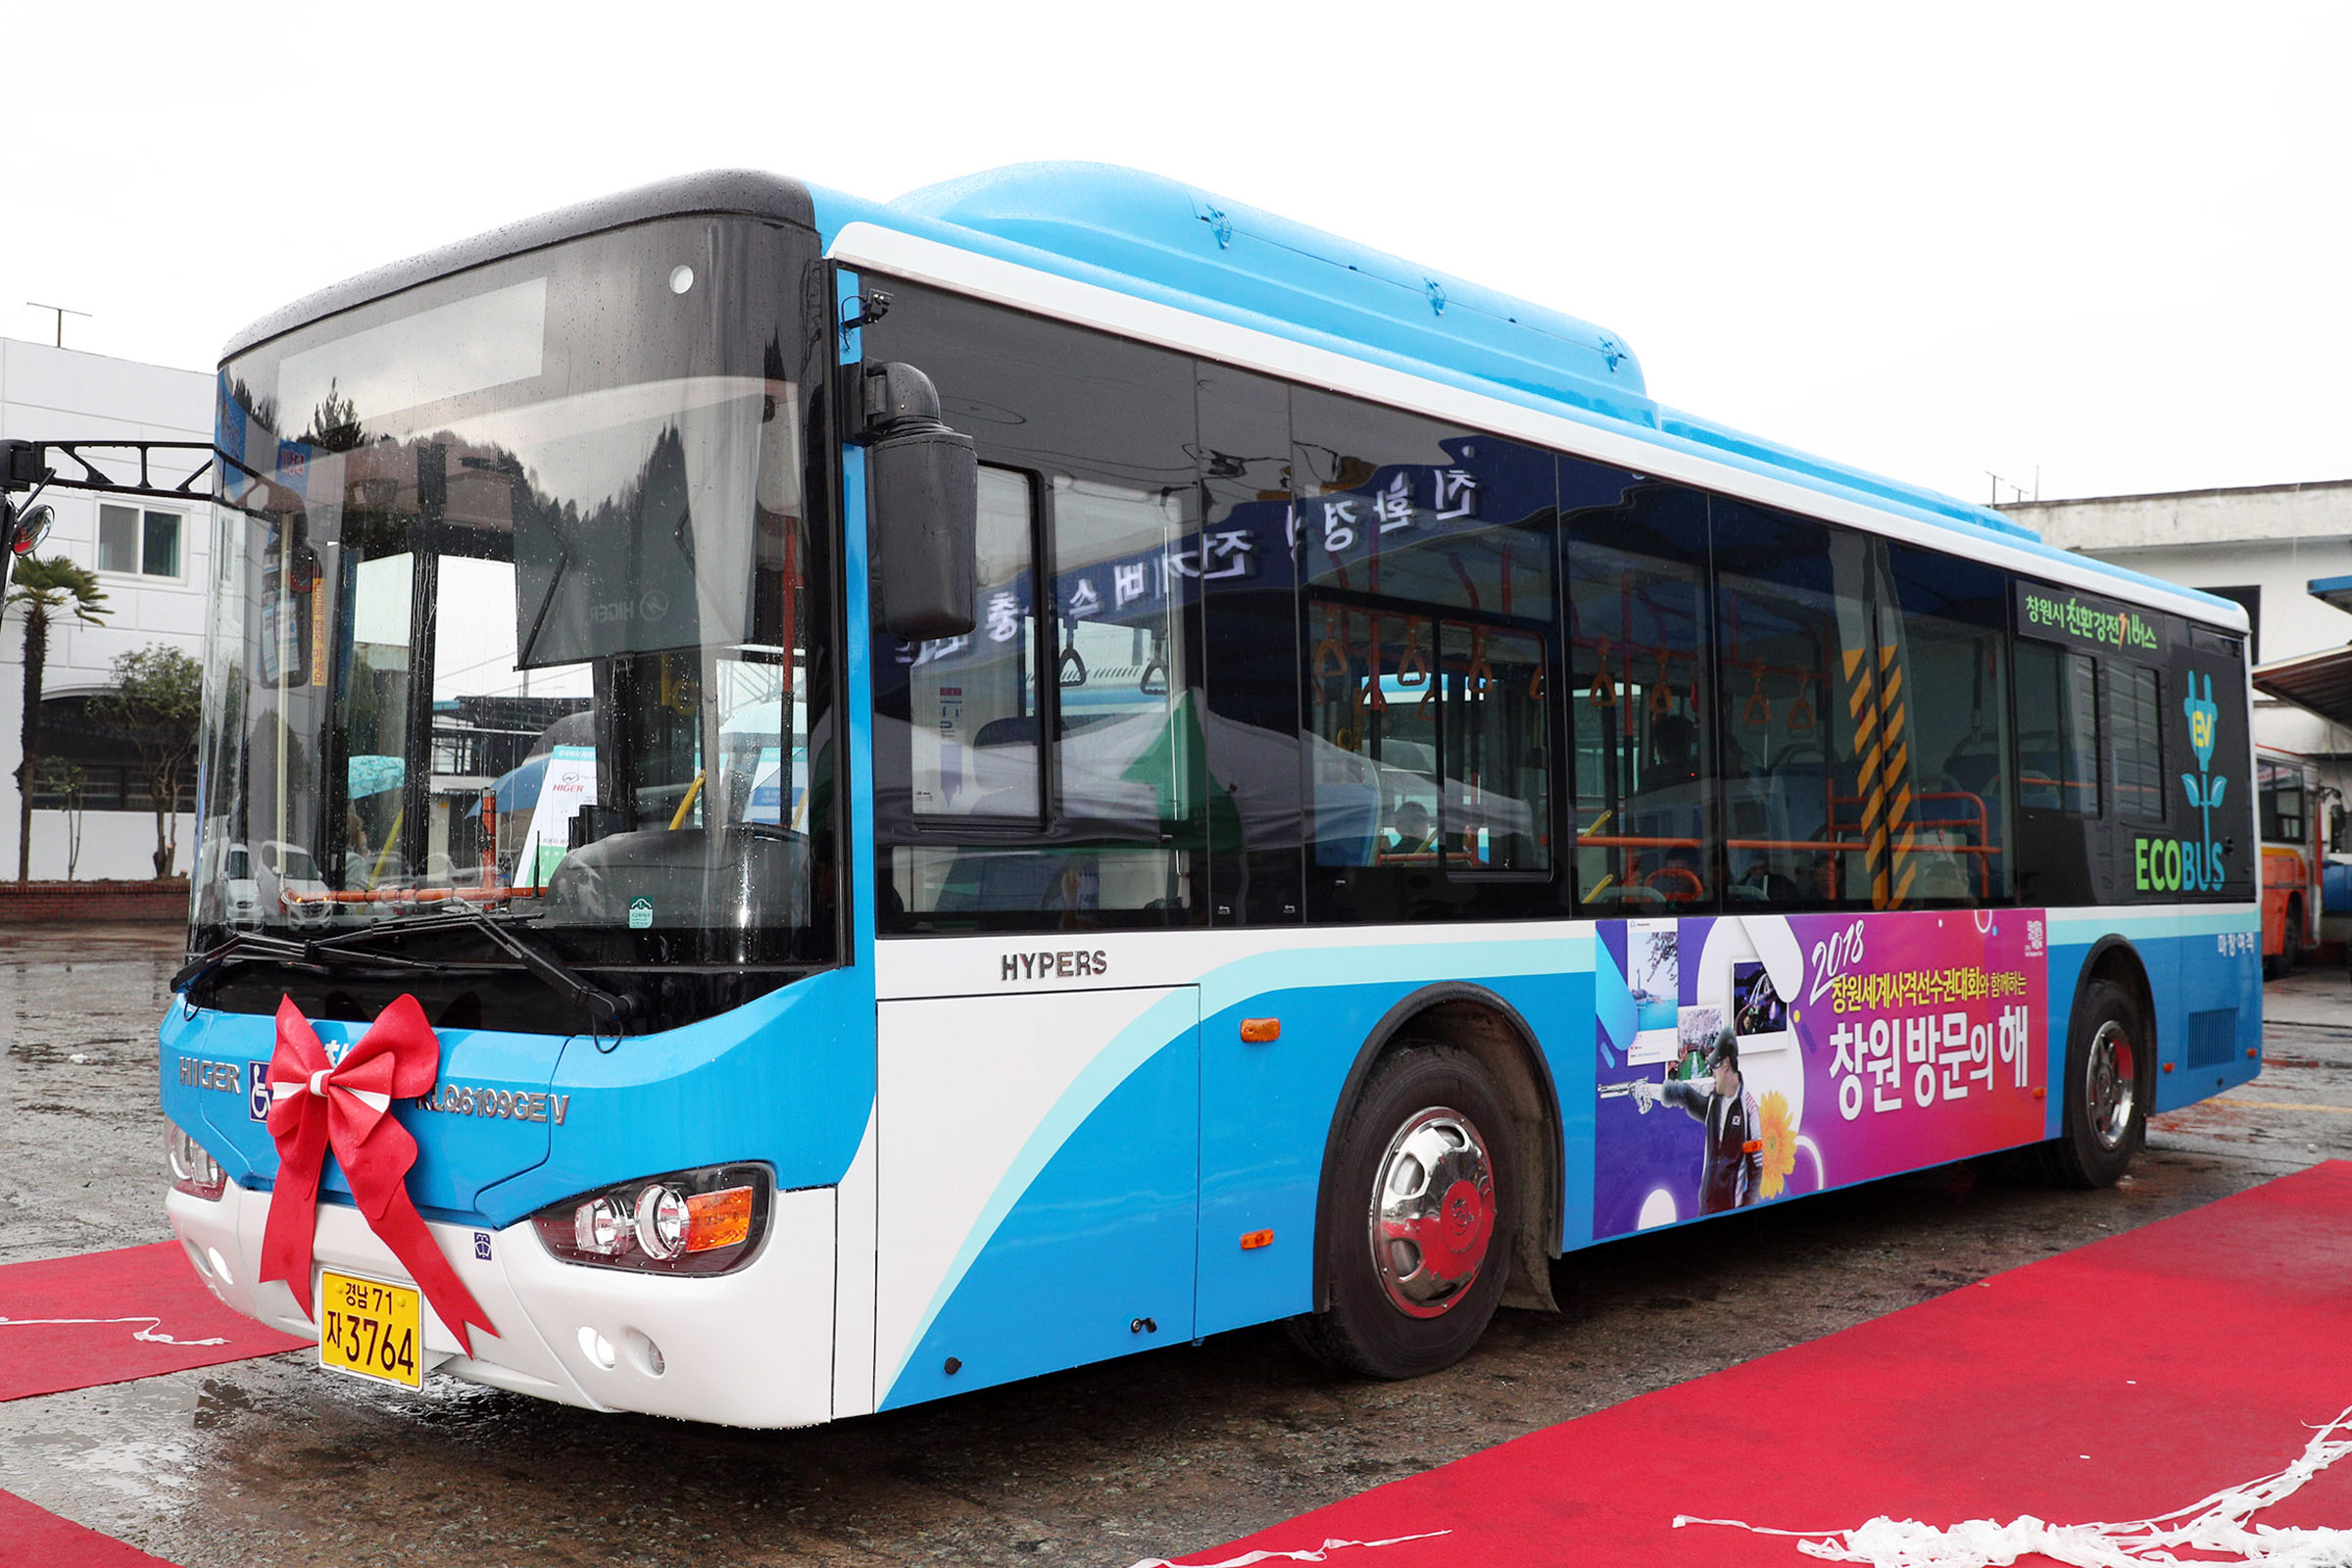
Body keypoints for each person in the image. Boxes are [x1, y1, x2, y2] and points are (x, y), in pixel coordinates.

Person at [1636, 1028, 1762, 1213]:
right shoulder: (1712, 1097)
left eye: (1714, 1068)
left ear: (1726, 1065)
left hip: (1733, 1208)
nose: (1712, 1073)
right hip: (1707, 1206)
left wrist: (1748, 1207)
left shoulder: (1749, 1109)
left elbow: (1756, 1166)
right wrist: (1648, 1090)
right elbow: (1683, 1093)